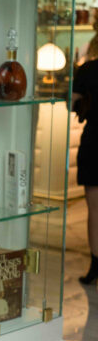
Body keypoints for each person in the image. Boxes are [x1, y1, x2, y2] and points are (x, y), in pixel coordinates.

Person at [72, 32, 98, 284]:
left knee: (95, 208)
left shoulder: (88, 69)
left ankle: (95, 265)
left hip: (95, 141)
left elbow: (72, 102)